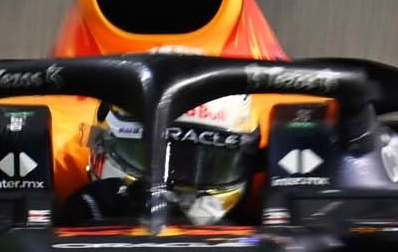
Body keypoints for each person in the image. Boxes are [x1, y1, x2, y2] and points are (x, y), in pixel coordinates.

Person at [63, 95, 262, 226]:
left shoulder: (260, 198)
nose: (178, 191)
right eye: (149, 157)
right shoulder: (64, 163)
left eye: (210, 165)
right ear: (102, 144)